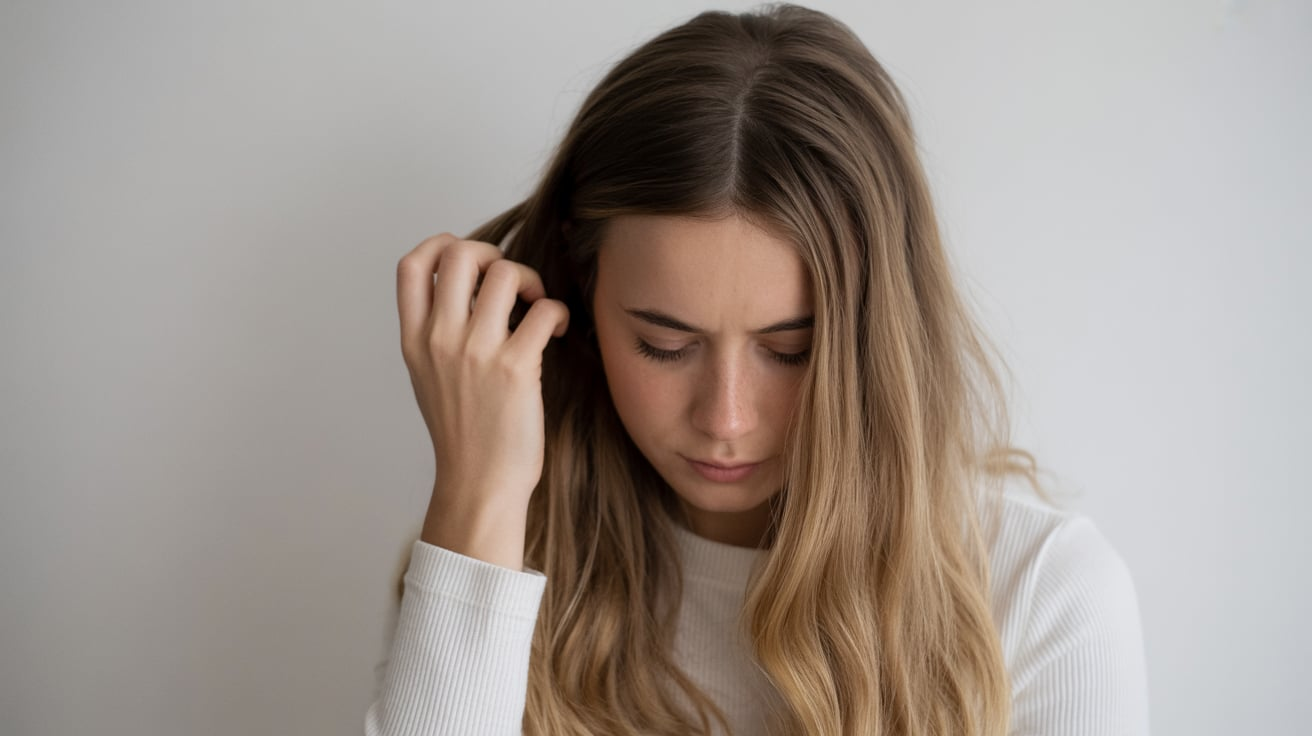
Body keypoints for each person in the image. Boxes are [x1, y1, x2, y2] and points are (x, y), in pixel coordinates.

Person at [366, 4, 1149, 735]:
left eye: (791, 352)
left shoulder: (1041, 593)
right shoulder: (492, 557)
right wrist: (476, 495)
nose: (727, 420)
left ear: (876, 337)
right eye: (665, 345)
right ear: (581, 288)